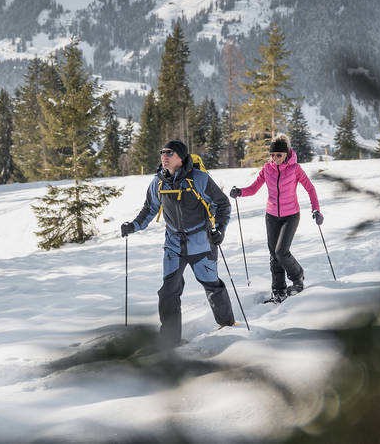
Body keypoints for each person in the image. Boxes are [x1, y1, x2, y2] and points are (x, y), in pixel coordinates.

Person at [121, 140, 235, 347]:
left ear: (180, 157)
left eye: (169, 153)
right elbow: (149, 209)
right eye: (162, 152)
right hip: (173, 244)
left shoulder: (199, 179)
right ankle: (170, 340)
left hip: (201, 242)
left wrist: (219, 229)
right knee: (168, 291)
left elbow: (223, 204)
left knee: (211, 285)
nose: (164, 156)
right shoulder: (157, 182)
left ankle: (227, 328)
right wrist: (133, 226)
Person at [229, 134, 323, 302]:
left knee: (281, 252)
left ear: (286, 154)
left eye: (278, 155)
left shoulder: (295, 169)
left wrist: (316, 210)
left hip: (291, 216)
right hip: (271, 216)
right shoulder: (267, 169)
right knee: (274, 255)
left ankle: (298, 277)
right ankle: (278, 290)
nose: (274, 158)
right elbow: (254, 188)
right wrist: (240, 192)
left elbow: (310, 189)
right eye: (272, 155)